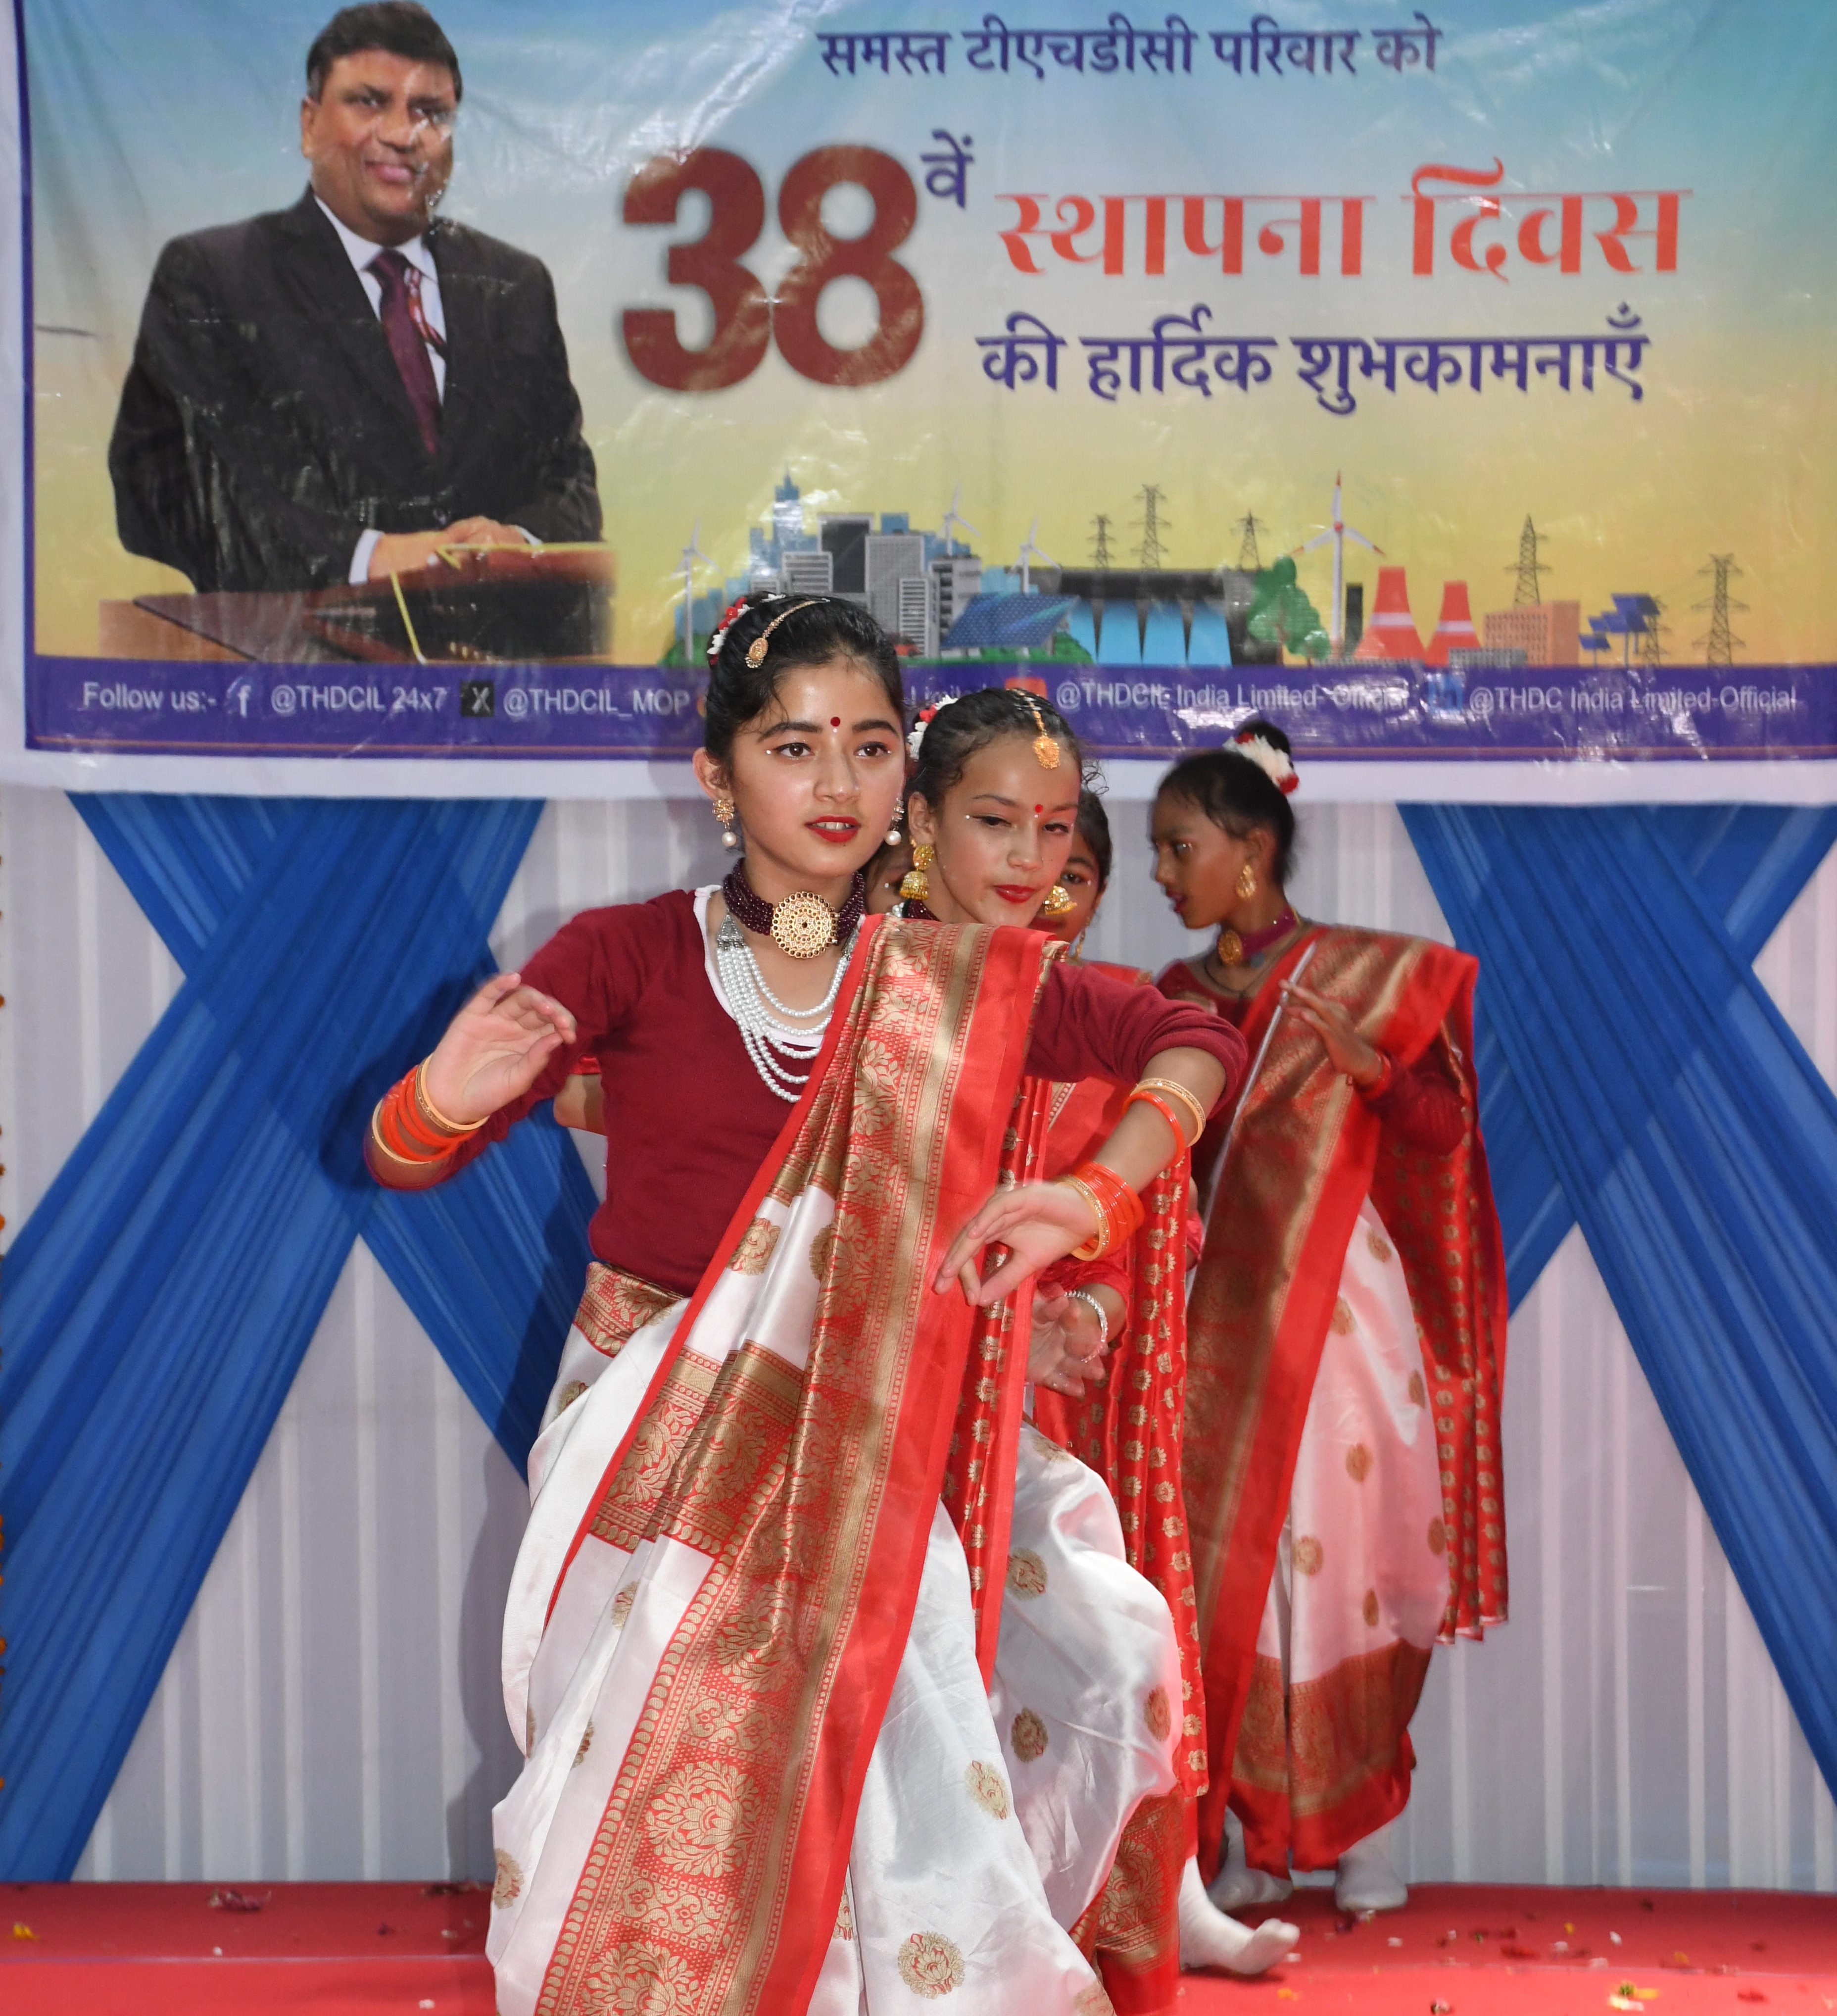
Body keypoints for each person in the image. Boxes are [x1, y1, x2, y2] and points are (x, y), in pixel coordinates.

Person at [367, 597, 1241, 2015]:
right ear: (716, 774)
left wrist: (1097, 1195)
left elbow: (1191, 1038)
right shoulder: (630, 953)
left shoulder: (951, 978)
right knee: (672, 1771)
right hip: (655, 1426)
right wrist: (437, 1101)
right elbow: (403, 1158)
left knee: (988, 1725)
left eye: (871, 745)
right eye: (793, 747)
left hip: (873, 1423)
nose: (839, 783)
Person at [897, 701, 1291, 2002]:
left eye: (1061, 846)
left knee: (1114, 1660)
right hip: (866, 1425)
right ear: (920, 826)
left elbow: (1152, 1206)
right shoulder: (854, 984)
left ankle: (1078, 1925)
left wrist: (1091, 1300)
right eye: (997, 825)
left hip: (1053, 1418)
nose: (1033, 869)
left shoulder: (1082, 1020)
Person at [1149, 722, 1508, 1915]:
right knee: (1229, 1575)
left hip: (1345, 1322)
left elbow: (1442, 1135)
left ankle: (1366, 1825)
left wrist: (1375, 1071)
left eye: (1180, 845)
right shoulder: (1170, 997)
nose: (1162, 871)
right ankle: (1251, 1828)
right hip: (1216, 1321)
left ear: (1249, 849)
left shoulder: (1367, 973)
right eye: (1159, 849)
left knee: (1348, 1562)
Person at [108, 2, 600, 595]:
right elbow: (158, 494)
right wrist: (369, 557)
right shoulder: (216, 277)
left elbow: (570, 484)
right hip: (295, 648)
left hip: (497, 644)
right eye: (369, 102)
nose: (401, 134)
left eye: (430, 112)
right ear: (309, 124)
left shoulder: (513, 286)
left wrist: (517, 543)